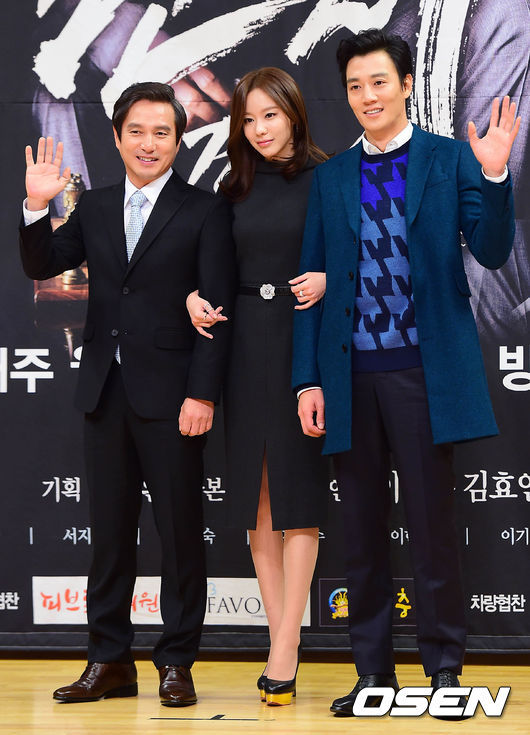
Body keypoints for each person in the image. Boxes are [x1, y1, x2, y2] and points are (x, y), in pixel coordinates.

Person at [292, 29, 519, 719]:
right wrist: (308, 379)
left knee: (432, 528)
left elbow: (492, 249)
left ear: (407, 85)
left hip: (423, 373)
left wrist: (496, 177)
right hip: (351, 377)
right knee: (360, 534)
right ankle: (373, 673)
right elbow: (309, 286)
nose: (367, 96)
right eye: (355, 86)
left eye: (379, 82)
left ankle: (445, 668)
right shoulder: (332, 176)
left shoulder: (449, 159)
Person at [19, 82, 235, 706]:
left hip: (173, 397)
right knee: (110, 536)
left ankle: (177, 662)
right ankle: (108, 660)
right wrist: (36, 207)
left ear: (178, 140)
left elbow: (218, 311)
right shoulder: (93, 205)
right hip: (105, 391)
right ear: (116, 138)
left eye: (162, 132)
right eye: (136, 131)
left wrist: (202, 395)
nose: (148, 143)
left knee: (180, 534)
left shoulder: (205, 209)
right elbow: (42, 265)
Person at [186, 67, 329, 706]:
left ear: (294, 113)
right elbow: (209, 272)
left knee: (298, 495)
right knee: (259, 499)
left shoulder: (329, 178)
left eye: (270, 115)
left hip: (306, 345)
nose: (260, 129)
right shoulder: (233, 187)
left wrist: (330, 278)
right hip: (243, 347)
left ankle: (284, 647)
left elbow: (365, 257)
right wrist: (191, 298)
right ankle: (281, 639)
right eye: (248, 119)